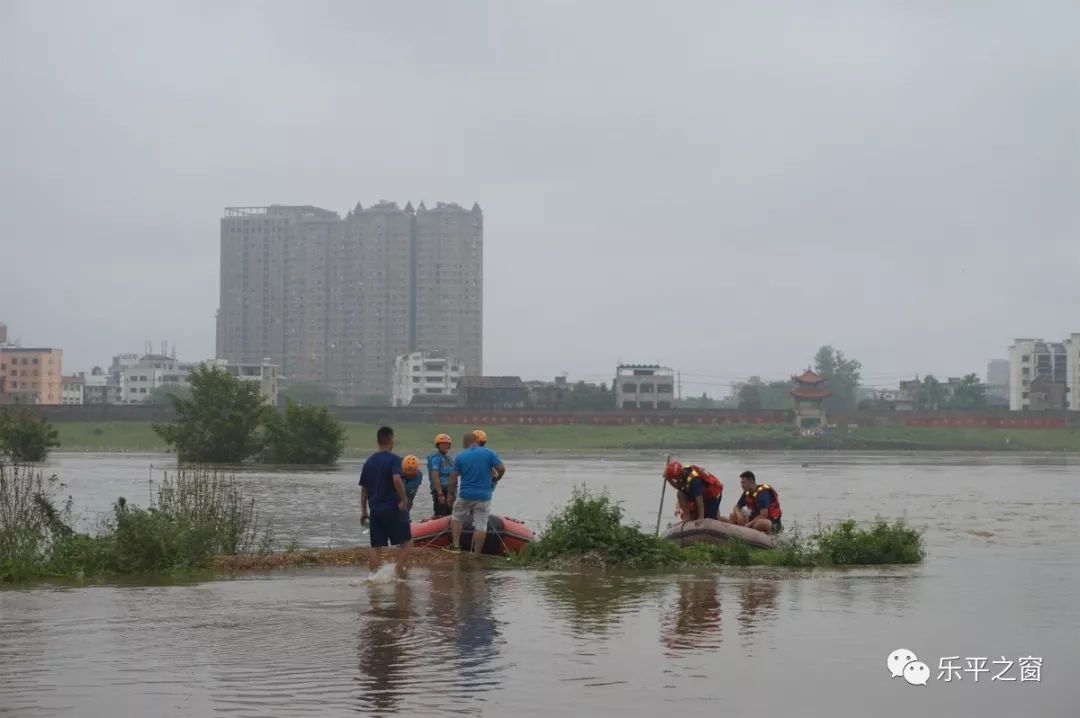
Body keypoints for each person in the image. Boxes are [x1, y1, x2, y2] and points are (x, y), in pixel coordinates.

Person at [359, 426, 412, 577]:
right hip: (392, 507)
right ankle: (398, 569)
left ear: (378, 441)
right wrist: (403, 498)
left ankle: (373, 580)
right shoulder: (394, 459)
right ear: (390, 439)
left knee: (376, 547)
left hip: (375, 510)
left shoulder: (369, 462)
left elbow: (364, 490)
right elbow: (396, 478)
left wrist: (364, 512)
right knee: (407, 542)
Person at [447, 432, 506, 554]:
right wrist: (497, 478)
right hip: (484, 496)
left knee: (457, 517)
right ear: (477, 441)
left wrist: (450, 494)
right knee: (481, 525)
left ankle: (456, 547)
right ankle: (476, 553)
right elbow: (501, 468)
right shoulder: (489, 453)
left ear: (465, 442)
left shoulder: (460, 456)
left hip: (465, 495)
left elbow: (453, 478)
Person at [730, 470, 783, 534]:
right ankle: (732, 536)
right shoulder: (747, 493)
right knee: (733, 516)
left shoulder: (762, 494)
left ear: (751, 481)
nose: (742, 485)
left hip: (771, 523)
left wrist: (749, 524)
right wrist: (739, 515)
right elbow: (736, 507)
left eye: (743, 483)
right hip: (755, 519)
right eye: (741, 483)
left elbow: (763, 515)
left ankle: (756, 537)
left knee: (760, 523)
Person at [427, 433, 454, 517]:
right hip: (441, 491)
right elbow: (435, 477)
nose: (445, 446)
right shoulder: (436, 458)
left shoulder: (448, 459)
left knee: (451, 513)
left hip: (449, 491)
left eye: (447, 444)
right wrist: (440, 494)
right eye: (442, 444)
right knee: (441, 513)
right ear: (438, 445)